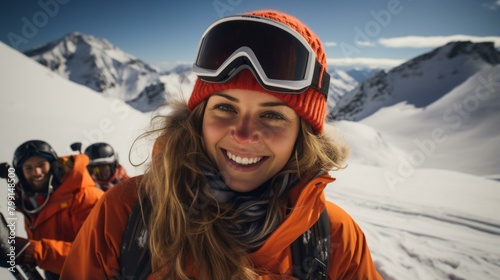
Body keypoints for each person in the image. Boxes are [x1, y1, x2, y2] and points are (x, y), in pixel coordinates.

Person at [61, 10, 382, 279]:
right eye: (225, 108)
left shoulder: (335, 238)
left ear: (303, 136)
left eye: (272, 115)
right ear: (198, 120)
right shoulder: (127, 213)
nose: (242, 135)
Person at [0, 140, 104, 279]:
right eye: (28, 168)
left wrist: (32, 252)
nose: (36, 172)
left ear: (54, 166)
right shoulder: (34, 203)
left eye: (41, 165)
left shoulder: (85, 197)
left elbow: (96, 257)